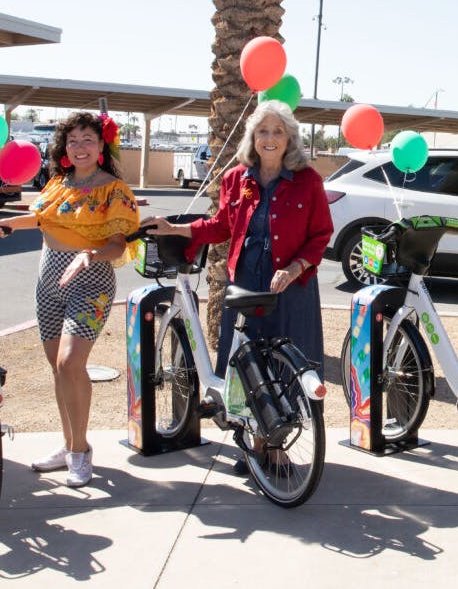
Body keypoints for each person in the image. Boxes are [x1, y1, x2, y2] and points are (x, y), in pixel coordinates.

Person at [140, 99, 333, 474]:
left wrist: (295, 268)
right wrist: (176, 228)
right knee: (245, 362)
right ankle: (253, 440)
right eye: (263, 131)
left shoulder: (308, 181)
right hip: (244, 282)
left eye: (278, 131)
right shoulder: (236, 178)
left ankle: (276, 448)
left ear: (290, 138)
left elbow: (321, 235)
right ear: (253, 137)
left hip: (289, 287)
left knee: (284, 366)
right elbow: (221, 227)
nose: (270, 138)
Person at [0, 111, 139, 488]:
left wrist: (89, 255)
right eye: (73, 140)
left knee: (72, 362)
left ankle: (81, 451)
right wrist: (5, 223)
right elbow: (38, 219)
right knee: (59, 368)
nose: (80, 146)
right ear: (64, 148)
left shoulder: (115, 191)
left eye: (88, 139)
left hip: (91, 282)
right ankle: (68, 443)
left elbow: (118, 244)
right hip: (49, 280)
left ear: (102, 145)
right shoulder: (57, 184)